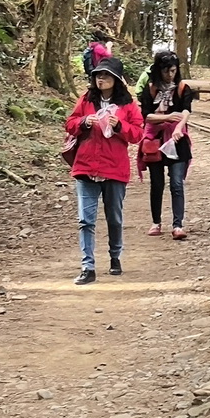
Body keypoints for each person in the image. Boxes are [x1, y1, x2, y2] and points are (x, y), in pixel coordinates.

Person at [64, 55, 144, 284]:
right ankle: (87, 267)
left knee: (114, 218)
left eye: (106, 75)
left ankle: (115, 256)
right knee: (85, 220)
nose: (101, 79)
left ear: (116, 79)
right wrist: (83, 122)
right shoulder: (86, 99)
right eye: (98, 75)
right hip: (85, 166)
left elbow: (138, 134)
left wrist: (119, 126)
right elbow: (69, 123)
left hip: (114, 168)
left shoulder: (128, 104)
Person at [136, 49, 200, 238]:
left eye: (172, 71)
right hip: (154, 139)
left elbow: (186, 110)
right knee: (157, 183)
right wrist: (165, 117)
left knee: (176, 183)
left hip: (177, 138)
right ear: (158, 70)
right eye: (166, 71)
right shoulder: (150, 89)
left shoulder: (182, 88)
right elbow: (145, 115)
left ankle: (177, 224)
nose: (169, 75)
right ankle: (156, 222)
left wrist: (179, 126)